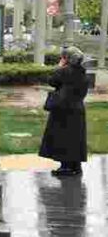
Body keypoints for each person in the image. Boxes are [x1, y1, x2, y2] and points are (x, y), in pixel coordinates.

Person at [39, 46, 89, 176]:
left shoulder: (64, 71)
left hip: (63, 109)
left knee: (63, 137)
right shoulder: (83, 72)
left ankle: (66, 167)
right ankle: (76, 167)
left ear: (66, 59)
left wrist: (59, 66)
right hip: (78, 109)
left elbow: (52, 81)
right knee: (75, 138)